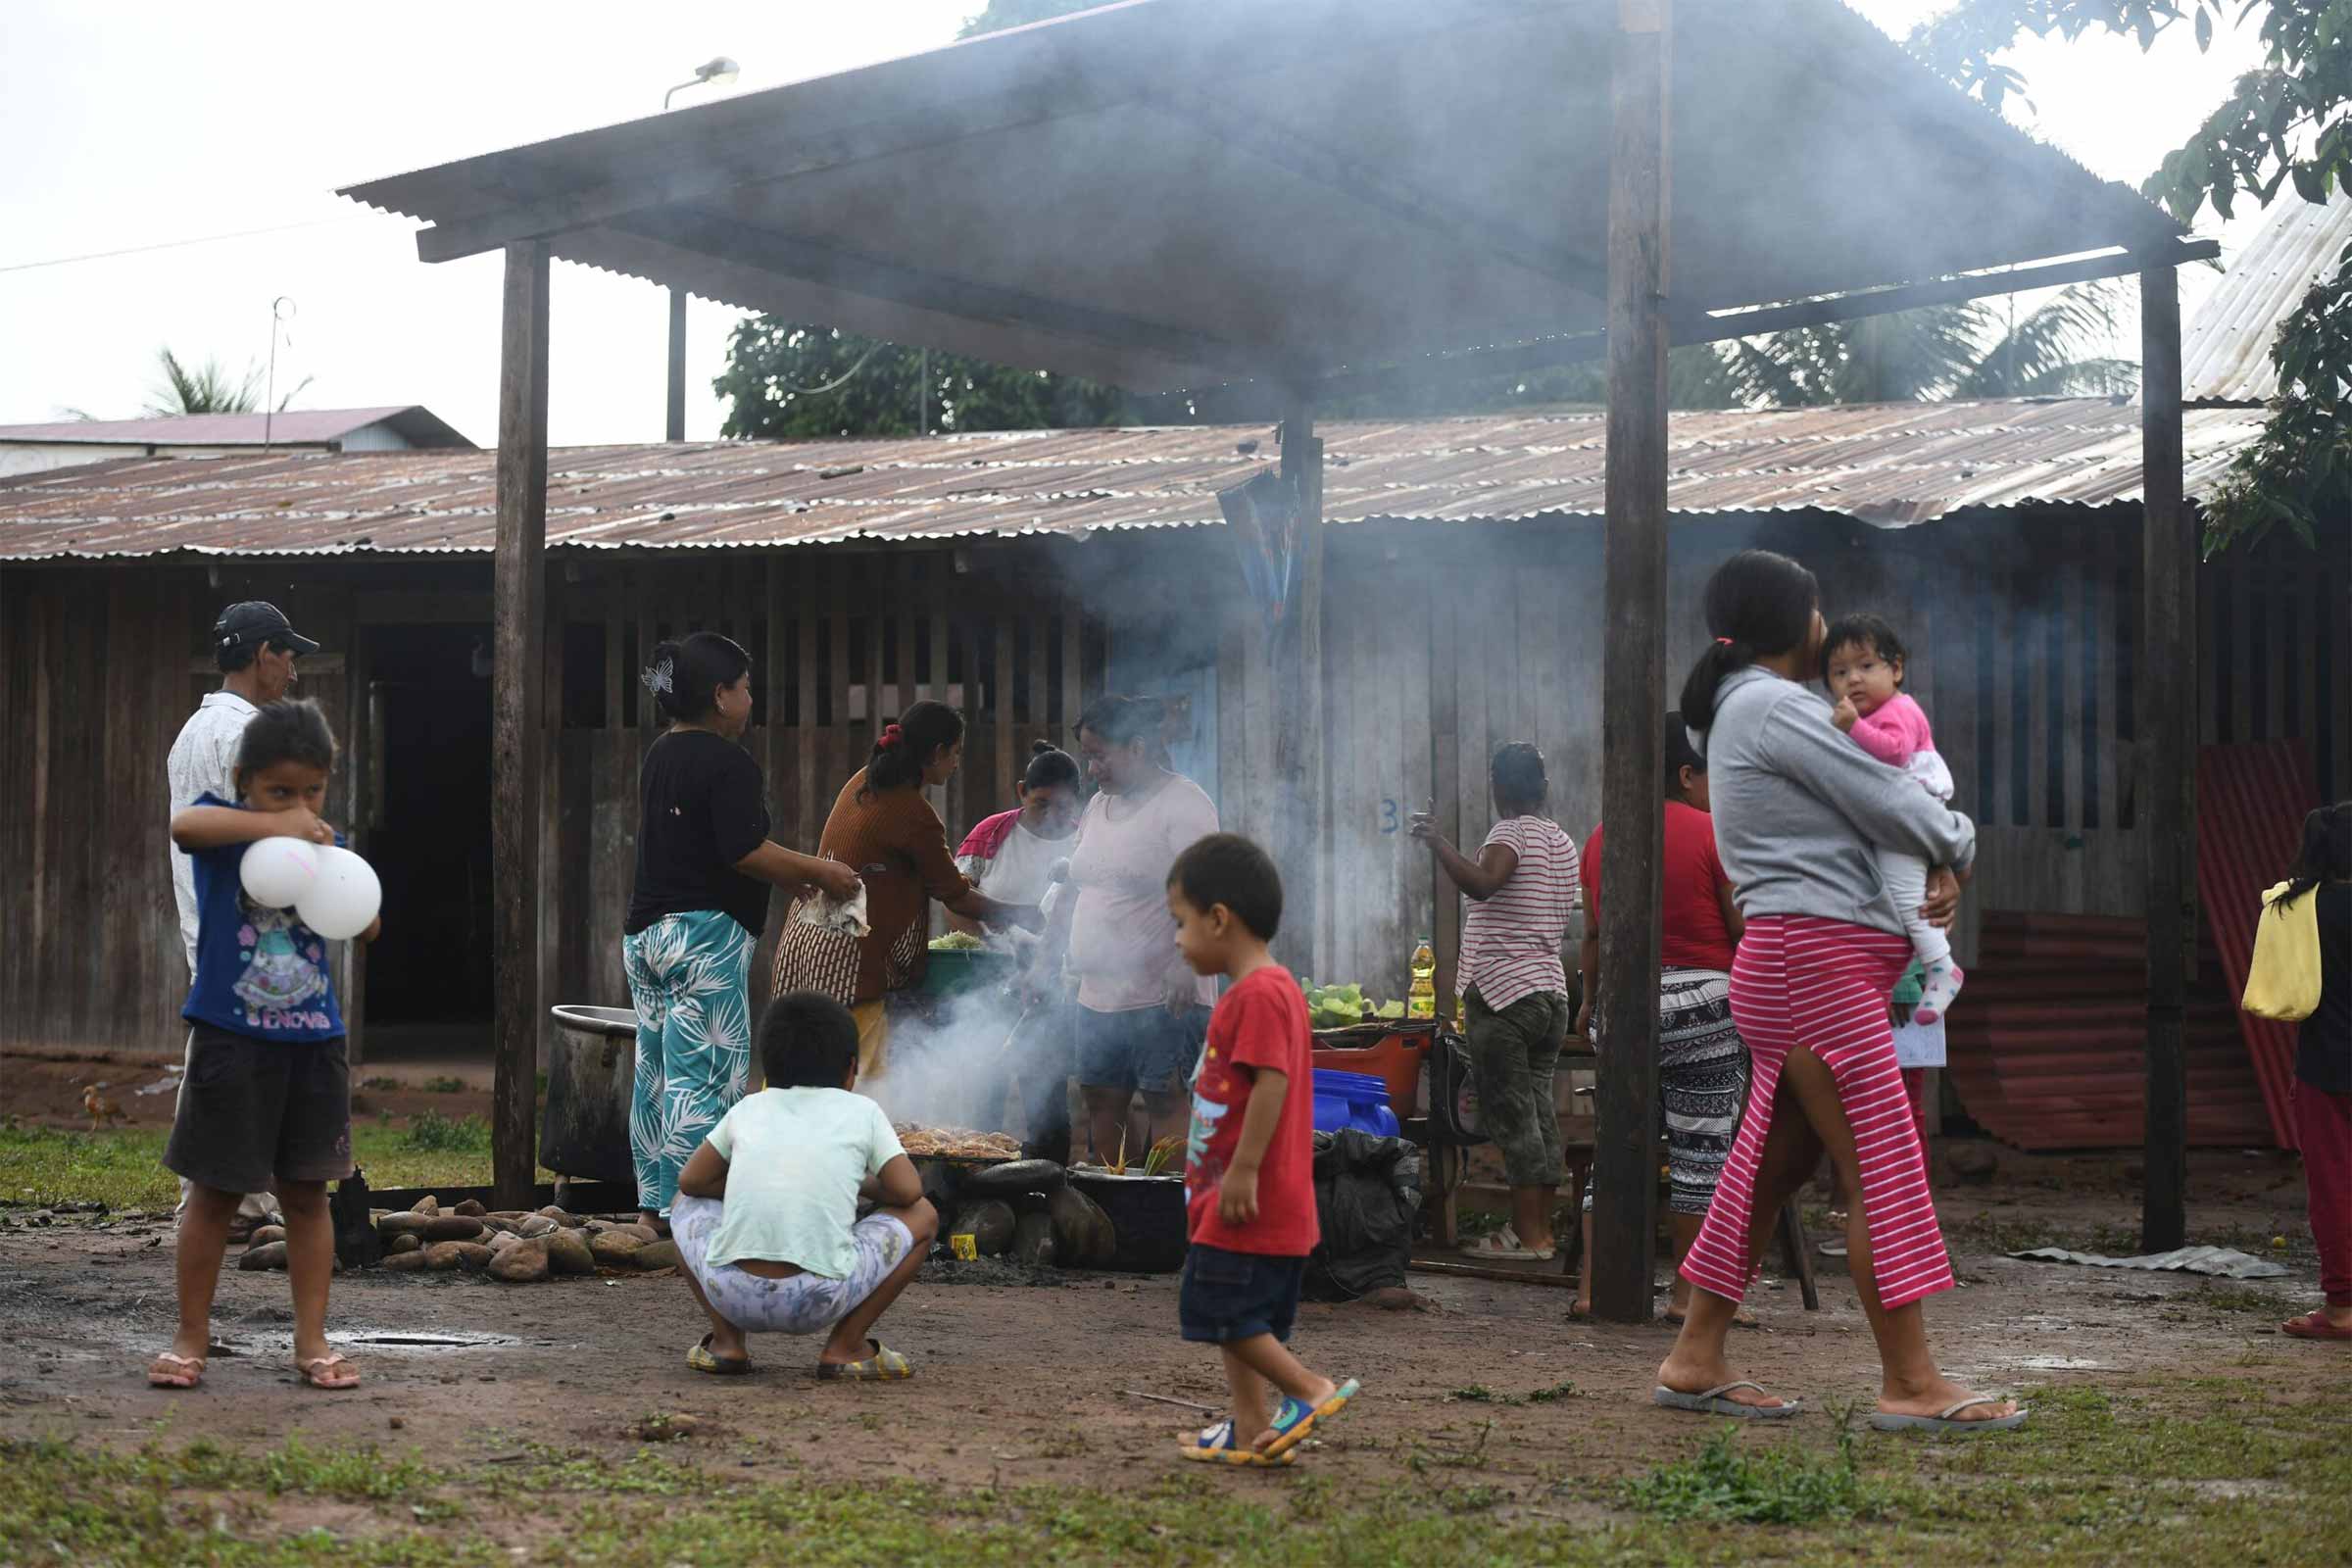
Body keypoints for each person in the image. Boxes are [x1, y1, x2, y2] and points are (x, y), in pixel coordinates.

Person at [1653, 550, 2020, 1433]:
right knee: (1879, 1165)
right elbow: (1887, 794)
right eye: (1819, 611)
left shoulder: (1751, 706)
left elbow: (1859, 818)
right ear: (1798, 622)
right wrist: (1957, 843)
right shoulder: (1773, 706)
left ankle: (1695, 1358)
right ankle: (1911, 1382)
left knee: (1775, 1165)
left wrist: (1929, 860)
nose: (1828, 628)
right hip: (1814, 967)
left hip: (1804, 962)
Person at [150, 698, 378, 1393]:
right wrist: (274, 823)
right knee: (215, 1194)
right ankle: (191, 1336)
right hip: (231, 1041)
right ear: (244, 780)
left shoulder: (322, 846)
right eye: (281, 790)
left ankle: (312, 1341)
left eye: (312, 791)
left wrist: (341, 872)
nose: (299, 805)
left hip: (313, 1043)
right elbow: (185, 826)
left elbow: (365, 923)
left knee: (307, 1196)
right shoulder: (225, 830)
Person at [625, 633, 859, 1233]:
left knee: (656, 1078)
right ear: (720, 696)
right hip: (703, 940)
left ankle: (654, 1209)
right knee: (704, 1081)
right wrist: (820, 871)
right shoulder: (729, 762)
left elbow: (713, 846)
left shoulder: (661, 754)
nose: (751, 700)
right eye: (746, 688)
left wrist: (793, 875)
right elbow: (743, 850)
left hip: (646, 937)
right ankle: (695, 1215)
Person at [1167, 833, 1360, 1464]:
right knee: (1241, 1316)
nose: (1177, 939)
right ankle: (1250, 1424)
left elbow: (1272, 1081)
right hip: (1237, 1197)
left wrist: (1244, 1170)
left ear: (1219, 919)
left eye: (1181, 922)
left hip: (1250, 1199)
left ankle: (1307, 1389)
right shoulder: (1256, 992)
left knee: (1217, 1309)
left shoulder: (1260, 994)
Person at [1573, 714, 1748, 1321]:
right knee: (1702, 1155)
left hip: (1623, 1013)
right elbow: (1740, 929)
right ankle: (1685, 1298)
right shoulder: (1714, 834)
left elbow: (1594, 937)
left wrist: (1590, 1005)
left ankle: (1592, 1290)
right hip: (1704, 1011)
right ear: (1686, 774)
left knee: (1614, 1151)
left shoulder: (1602, 837)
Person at [671, 991, 937, 1379]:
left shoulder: (749, 1107)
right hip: (819, 1299)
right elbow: (908, 1192)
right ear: (851, 1068)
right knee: (924, 1216)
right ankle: (846, 1346)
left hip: (732, 1294)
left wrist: (754, 1182)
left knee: (682, 1202)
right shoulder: (863, 1111)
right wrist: (859, 1183)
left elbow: (691, 1181)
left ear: (769, 1067)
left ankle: (727, 1343)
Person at [772, 700, 1041, 1080]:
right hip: (848, 964)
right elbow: (955, 894)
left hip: (803, 946)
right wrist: (1020, 914)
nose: (957, 763)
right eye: (956, 753)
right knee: (852, 1081)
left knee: (794, 1074)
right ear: (937, 752)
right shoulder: (914, 814)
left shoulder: (862, 780)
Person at [166, 600, 318, 1236]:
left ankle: (218, 1198)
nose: (293, 671)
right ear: (262, 655)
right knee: (243, 1061)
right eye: (288, 655)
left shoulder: (192, 733)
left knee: (220, 1051)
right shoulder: (249, 735)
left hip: (208, 915)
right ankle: (235, 1203)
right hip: (248, 920)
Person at [1410, 743, 1579, 1262]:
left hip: (1506, 995)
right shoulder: (1562, 841)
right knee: (1539, 1113)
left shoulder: (1510, 833)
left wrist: (1439, 843)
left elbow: (1484, 885)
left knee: (1513, 1116)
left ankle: (1527, 1236)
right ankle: (1539, 1233)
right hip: (1549, 994)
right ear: (1543, 787)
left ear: (1498, 787)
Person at [1048, 695, 1221, 1164]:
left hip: (1163, 994)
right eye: (1088, 756)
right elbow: (1077, 884)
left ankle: (1166, 1203)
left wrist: (1187, 961)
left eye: (1100, 756)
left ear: (1138, 748)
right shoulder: (1099, 807)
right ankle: (1113, 1201)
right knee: (1101, 1101)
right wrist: (1047, 955)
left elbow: (1211, 888)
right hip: (1097, 995)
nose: (1092, 769)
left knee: (1165, 1099)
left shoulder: (1184, 804)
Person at [1823, 613, 1964, 1025]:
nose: (1854, 679)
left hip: (1908, 821)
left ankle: (1940, 966)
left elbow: (1894, 753)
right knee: (1902, 896)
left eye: (1866, 666)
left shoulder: (1898, 710)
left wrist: (1851, 728)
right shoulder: (1875, 716)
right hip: (1899, 819)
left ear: (1896, 668)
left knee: (1903, 896)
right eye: (1840, 672)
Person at [2270, 802, 2351, 1342]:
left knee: (2335, 1189)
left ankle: (2344, 1309)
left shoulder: (2297, 905)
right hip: (2325, 1070)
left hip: (2325, 1067)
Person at [948, 741, 1085, 939]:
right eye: (1041, 804)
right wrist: (987, 946)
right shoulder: (990, 833)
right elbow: (954, 902)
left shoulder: (1085, 842)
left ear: (1075, 801)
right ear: (1022, 791)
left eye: (1062, 806)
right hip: (989, 955)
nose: (1051, 815)